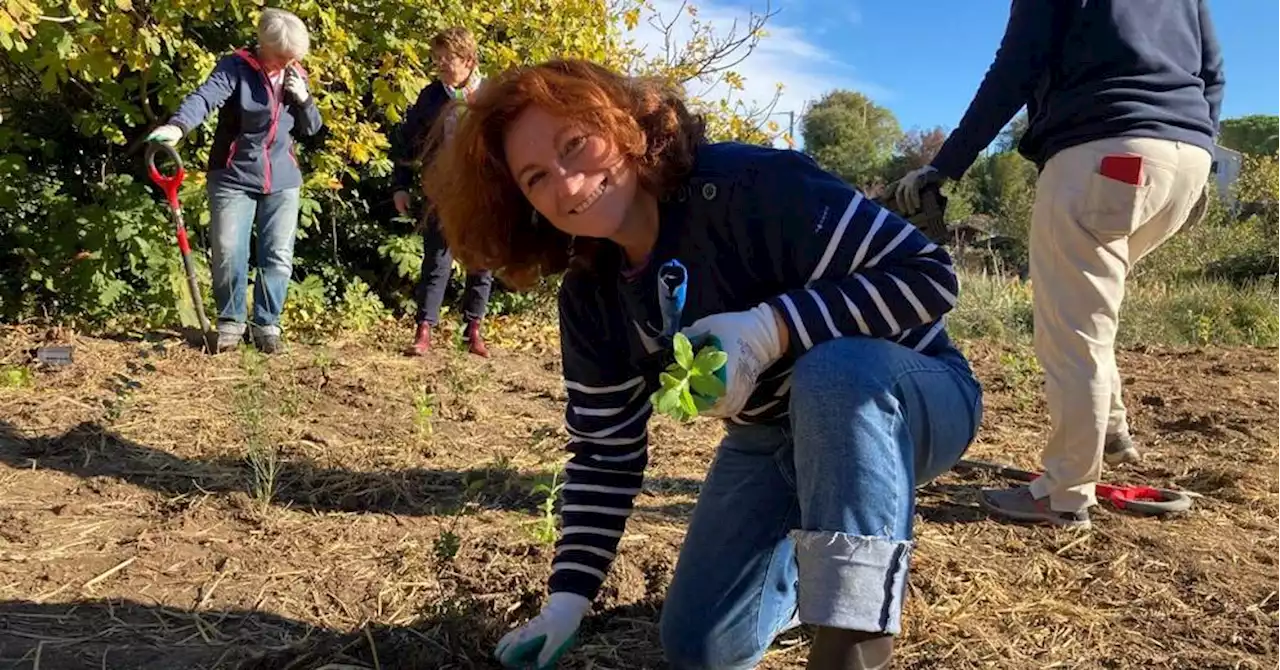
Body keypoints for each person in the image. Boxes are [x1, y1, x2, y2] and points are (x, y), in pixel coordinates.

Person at [424, 59, 984, 670]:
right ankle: (803, 583)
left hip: (910, 398)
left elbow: (929, 275)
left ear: (624, 122)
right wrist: (567, 602)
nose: (568, 185)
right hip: (775, 433)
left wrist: (771, 328)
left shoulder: (751, 187)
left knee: (836, 372)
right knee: (701, 647)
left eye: (575, 144)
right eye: (535, 178)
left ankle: (852, 640)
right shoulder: (592, 296)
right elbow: (605, 452)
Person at [895, 0, 1224, 529]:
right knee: (1093, 307)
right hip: (1185, 163)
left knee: (1072, 328)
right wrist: (1200, 141)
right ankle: (1111, 431)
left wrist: (945, 165)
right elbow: (1212, 72)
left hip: (1102, 151)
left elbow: (1016, 66)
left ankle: (1065, 494)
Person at [147, 8, 323, 354]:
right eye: (283, 56)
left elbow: (313, 130)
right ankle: (231, 321)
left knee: (278, 255)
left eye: (294, 58)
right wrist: (177, 127)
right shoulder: (235, 68)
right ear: (264, 46)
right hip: (233, 175)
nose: (289, 63)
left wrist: (304, 100)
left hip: (283, 178)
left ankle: (266, 325)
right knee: (229, 250)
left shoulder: (295, 73)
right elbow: (204, 98)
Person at [390, 27, 494, 358]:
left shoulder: (493, 95)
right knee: (437, 260)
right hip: (442, 190)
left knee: (481, 260)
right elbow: (409, 141)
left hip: (484, 192)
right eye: (437, 59)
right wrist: (401, 184)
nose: (441, 65)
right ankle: (424, 330)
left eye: (448, 58)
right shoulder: (431, 97)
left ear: (468, 59)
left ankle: (473, 330)